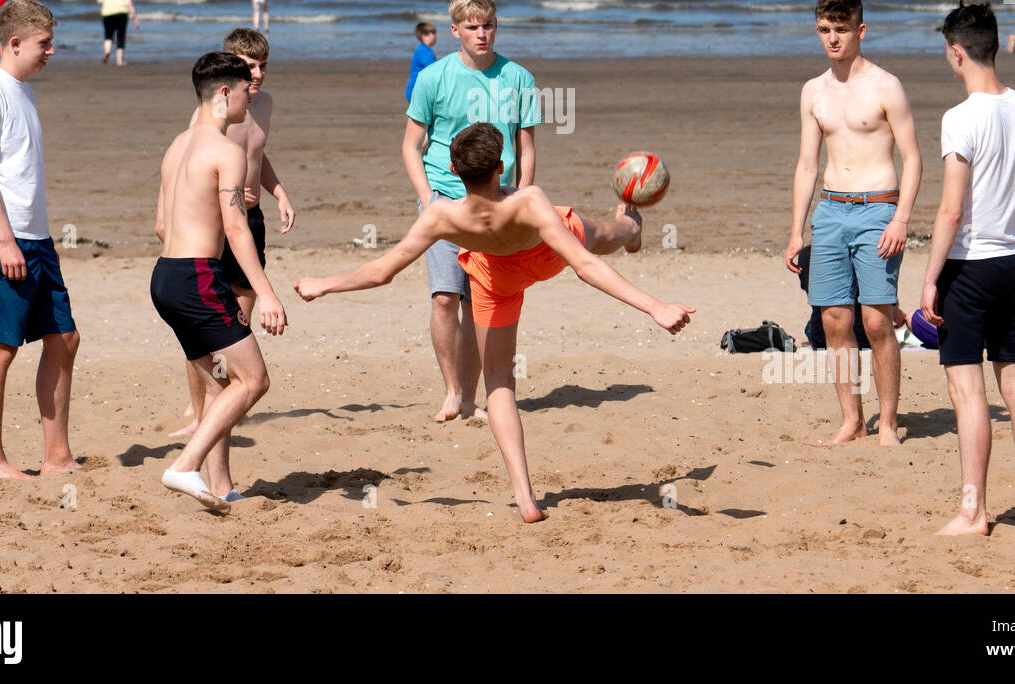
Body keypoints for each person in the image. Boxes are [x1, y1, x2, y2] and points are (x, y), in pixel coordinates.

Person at [295, 123, 694, 523]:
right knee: (604, 232)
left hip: (495, 277)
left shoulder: (440, 216)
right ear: (501, 166)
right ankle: (631, 227)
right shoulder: (529, 201)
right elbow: (586, 266)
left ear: (452, 169)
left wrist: (324, 285)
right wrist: (653, 306)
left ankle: (525, 499)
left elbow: (383, 271)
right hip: (544, 254)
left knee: (499, 382)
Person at [920, 1, 1015, 536]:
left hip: (971, 267)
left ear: (956, 53)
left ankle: (973, 512)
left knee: (968, 391)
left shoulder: (959, 118)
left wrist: (931, 278)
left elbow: (951, 210)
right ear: (997, 45)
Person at [784, 0, 921, 445]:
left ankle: (889, 421)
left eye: (841, 30)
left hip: (878, 208)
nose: (833, 39)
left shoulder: (886, 85)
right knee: (834, 321)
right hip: (830, 210)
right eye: (824, 30)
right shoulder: (813, 91)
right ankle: (851, 419)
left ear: (860, 30)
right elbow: (807, 164)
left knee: (877, 320)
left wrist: (900, 219)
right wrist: (795, 231)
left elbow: (913, 158)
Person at [152, 52, 288, 512]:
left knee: (217, 383)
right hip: (197, 276)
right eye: (247, 89)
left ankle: (219, 486)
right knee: (253, 381)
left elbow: (160, 225)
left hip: (165, 277)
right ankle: (184, 466)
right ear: (224, 93)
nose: (252, 97)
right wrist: (266, 292)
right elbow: (236, 229)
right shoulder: (226, 152)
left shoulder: (177, 145)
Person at [403, 0, 542, 422]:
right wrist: (428, 200)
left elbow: (527, 144)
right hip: (445, 197)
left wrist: (522, 197)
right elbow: (411, 146)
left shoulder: (518, 77)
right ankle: (452, 391)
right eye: (472, 27)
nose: (481, 34)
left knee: (476, 303)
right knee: (445, 297)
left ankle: (470, 399)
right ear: (455, 31)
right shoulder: (433, 78)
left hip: (497, 201)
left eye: (488, 26)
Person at [0, 0, 80, 479]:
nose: (51, 51)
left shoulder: (23, 91)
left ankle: (56, 457)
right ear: (14, 43)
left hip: (37, 239)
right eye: (43, 43)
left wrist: (30, 239)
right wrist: (7, 241)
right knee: (1, 347)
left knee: (64, 339)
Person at [171, 28, 296, 439]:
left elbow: (258, 153)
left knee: (236, 320)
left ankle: (221, 403)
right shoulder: (210, 113)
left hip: (252, 221)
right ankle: (197, 411)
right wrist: (227, 189)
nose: (258, 74)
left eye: (264, 65)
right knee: (209, 327)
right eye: (249, 66)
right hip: (224, 226)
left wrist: (277, 193)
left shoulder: (266, 105)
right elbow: (196, 166)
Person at [91, 0, 139, 66]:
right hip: (122, 13)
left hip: (107, 12)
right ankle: (119, 61)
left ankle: (107, 51)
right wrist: (135, 18)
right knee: (120, 36)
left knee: (108, 35)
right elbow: (130, 4)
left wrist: (100, 1)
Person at [405, 22, 438, 102]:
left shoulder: (422, 49)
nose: (435, 36)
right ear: (424, 36)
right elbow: (435, 71)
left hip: (416, 89)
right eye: (432, 33)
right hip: (417, 90)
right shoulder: (424, 51)